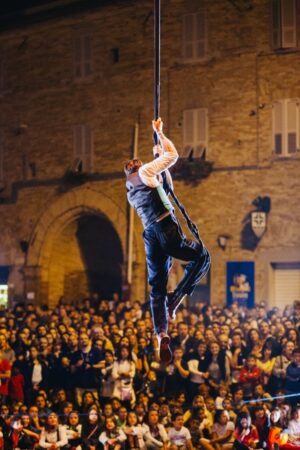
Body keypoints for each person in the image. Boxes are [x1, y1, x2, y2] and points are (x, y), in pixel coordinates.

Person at [124, 117, 210, 362]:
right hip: (165, 228)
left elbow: (165, 185)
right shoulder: (142, 172)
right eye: (133, 163)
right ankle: (177, 299)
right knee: (203, 256)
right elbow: (173, 156)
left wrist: (157, 157)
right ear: (132, 169)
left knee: (156, 288)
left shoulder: (132, 190)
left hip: (150, 234)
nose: (136, 162)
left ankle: (161, 333)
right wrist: (160, 135)